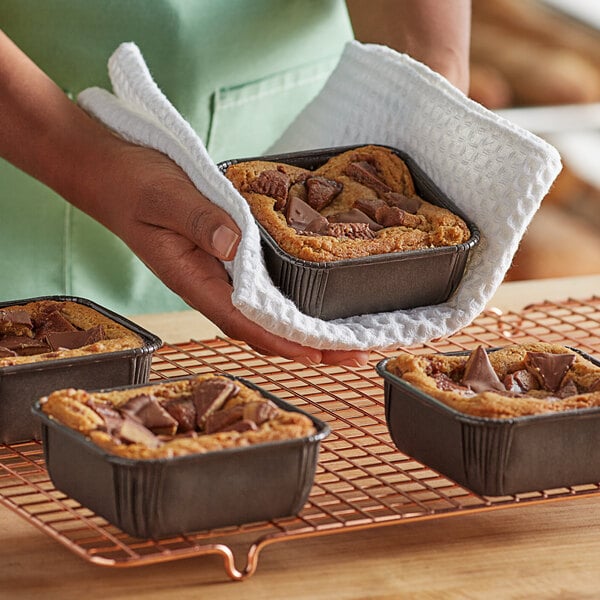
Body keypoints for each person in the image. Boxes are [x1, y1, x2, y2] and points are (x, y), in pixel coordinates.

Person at [0, 1, 471, 366]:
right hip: (30, 139)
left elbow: (424, 47)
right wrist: (87, 162)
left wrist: (431, 93)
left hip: (316, 106)